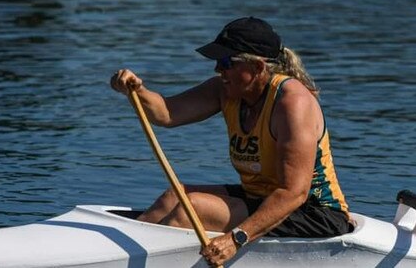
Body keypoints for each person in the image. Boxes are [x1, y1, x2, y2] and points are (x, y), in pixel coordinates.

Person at [110, 17, 350, 266]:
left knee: (193, 207)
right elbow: (166, 113)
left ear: (257, 67)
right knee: (174, 197)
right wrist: (137, 91)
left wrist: (236, 239)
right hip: (260, 196)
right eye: (217, 61)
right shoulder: (226, 91)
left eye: (226, 62)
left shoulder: (292, 104)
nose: (218, 70)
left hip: (314, 212)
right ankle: (115, 257)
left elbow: (294, 193)